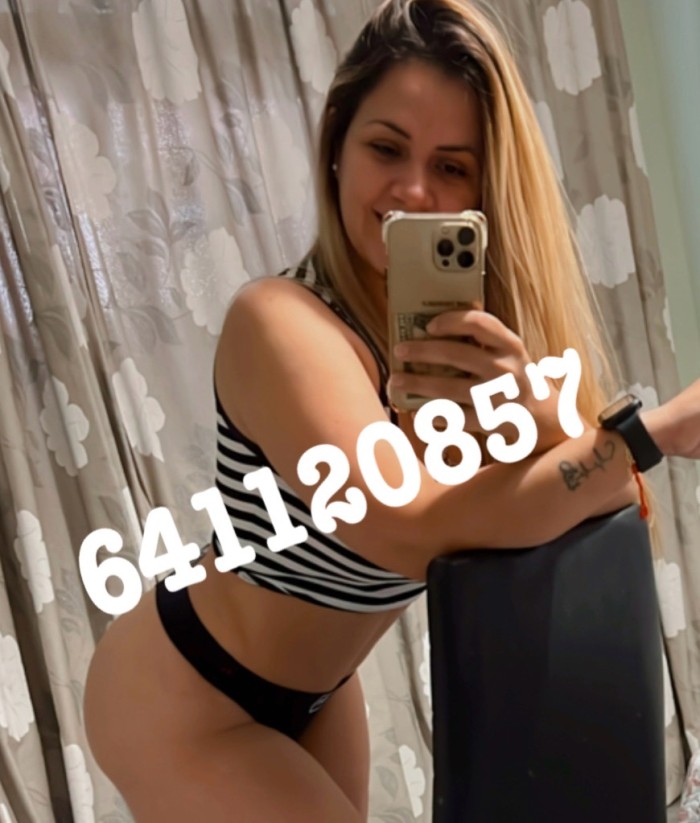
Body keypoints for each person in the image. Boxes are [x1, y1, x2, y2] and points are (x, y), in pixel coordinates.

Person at [82, 1, 700, 820]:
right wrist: (652, 432)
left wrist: (541, 417)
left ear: (486, 187)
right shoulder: (279, 322)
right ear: (336, 147)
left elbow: (585, 500)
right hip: (186, 689)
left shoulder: (470, 345)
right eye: (386, 148)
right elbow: (410, 525)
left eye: (452, 166)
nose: (413, 190)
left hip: (321, 689)